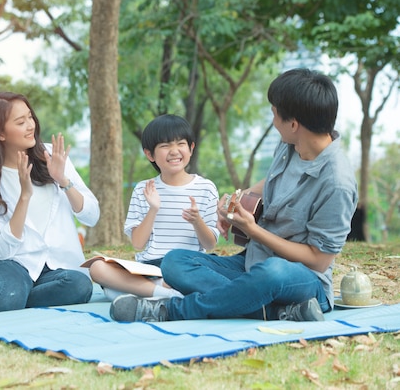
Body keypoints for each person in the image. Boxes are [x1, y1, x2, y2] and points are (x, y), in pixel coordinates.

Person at [110, 68, 358, 323]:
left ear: (293, 124)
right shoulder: (291, 144)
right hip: (251, 263)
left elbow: (318, 260)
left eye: (274, 114)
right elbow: (272, 181)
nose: (273, 121)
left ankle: (170, 310)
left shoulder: (337, 183)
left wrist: (254, 230)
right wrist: (237, 201)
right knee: (174, 262)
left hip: (300, 279)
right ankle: (276, 311)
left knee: (272, 273)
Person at [0, 92, 100, 315]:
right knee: (6, 299)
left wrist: (63, 181)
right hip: (13, 264)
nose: (30, 126)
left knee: (80, 286)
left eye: (30, 117)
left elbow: (92, 216)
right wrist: (24, 198)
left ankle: (7, 297)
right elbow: (3, 249)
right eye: (20, 122)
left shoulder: (52, 157)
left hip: (57, 269)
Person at [89, 114, 219, 301]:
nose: (174, 151)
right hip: (150, 268)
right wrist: (153, 209)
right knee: (97, 268)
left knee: (113, 291)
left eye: (180, 144)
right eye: (165, 146)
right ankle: (163, 293)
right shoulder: (144, 188)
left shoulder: (206, 188)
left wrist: (197, 221)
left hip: (187, 267)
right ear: (149, 154)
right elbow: (137, 244)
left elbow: (210, 244)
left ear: (191, 148)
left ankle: (144, 292)